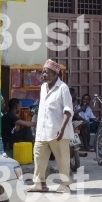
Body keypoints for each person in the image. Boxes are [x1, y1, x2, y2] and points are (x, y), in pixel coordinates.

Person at [28, 59, 74, 194]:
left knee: (62, 158)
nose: (43, 74)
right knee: (38, 156)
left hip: (58, 131)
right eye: (43, 72)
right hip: (42, 131)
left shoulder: (63, 88)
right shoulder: (43, 87)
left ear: (55, 74)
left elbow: (68, 110)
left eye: (46, 72)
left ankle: (65, 184)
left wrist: (62, 128)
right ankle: (39, 183)